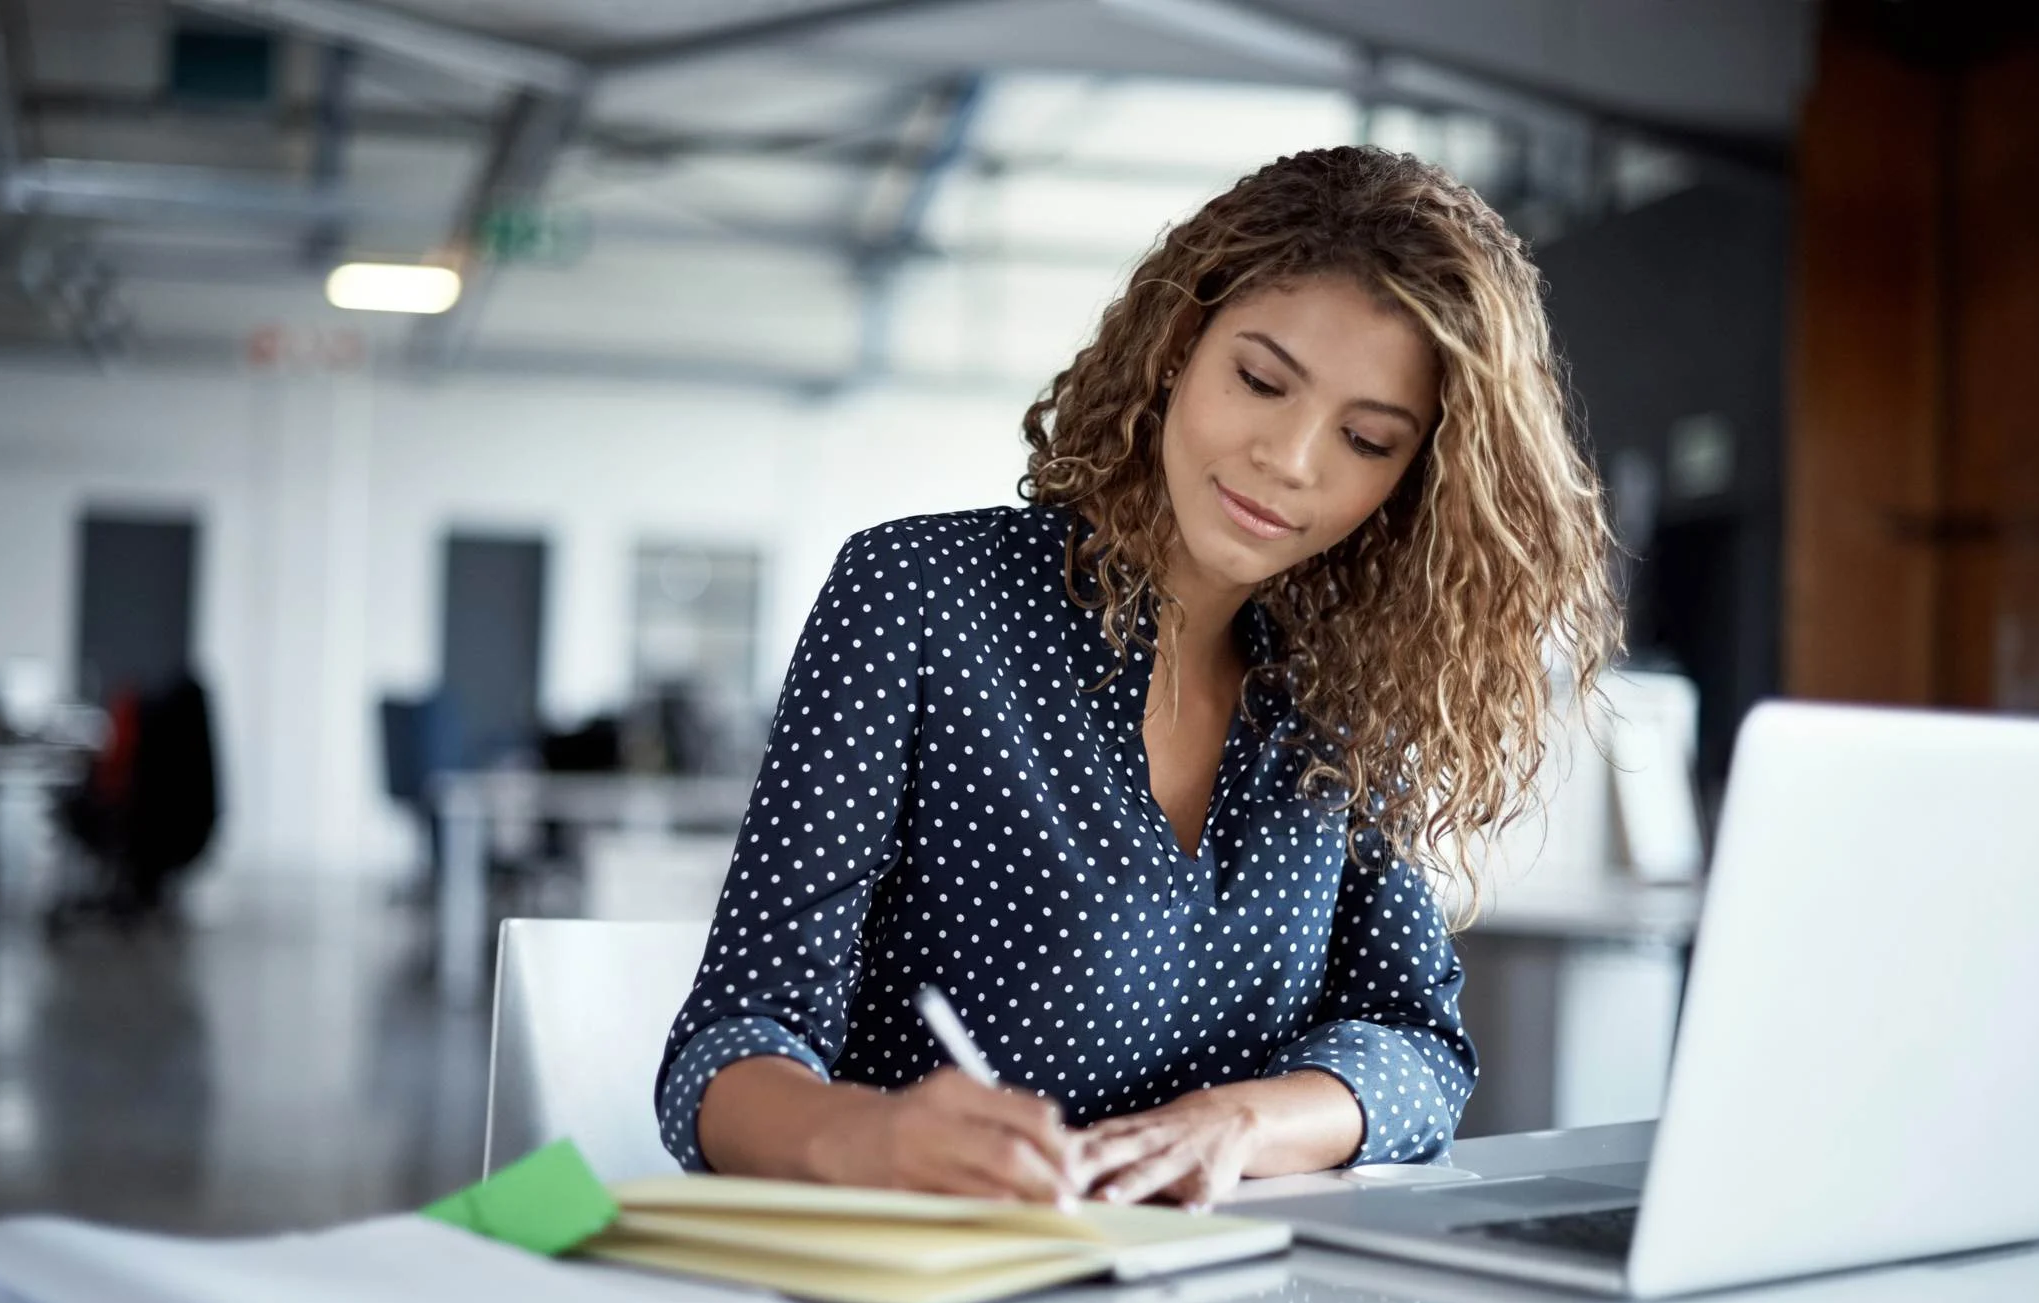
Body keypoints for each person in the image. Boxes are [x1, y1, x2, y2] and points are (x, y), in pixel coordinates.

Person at [655, 146, 1621, 1208]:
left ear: (1411, 481)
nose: (1292, 460)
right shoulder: (920, 596)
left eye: (1366, 439)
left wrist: (1245, 1118)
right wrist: (865, 1139)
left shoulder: (1343, 694)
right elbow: (727, 1044)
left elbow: (1418, 1046)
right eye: (1260, 379)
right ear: (1176, 346)